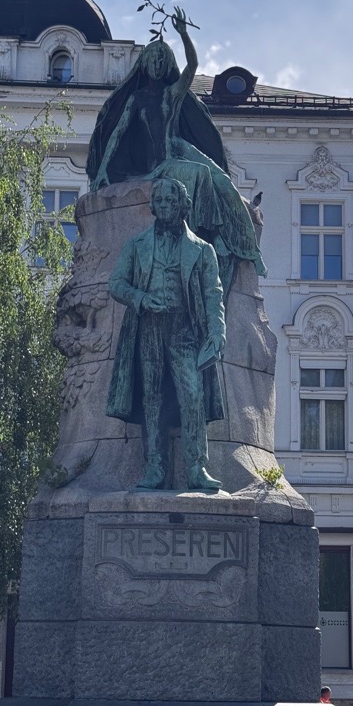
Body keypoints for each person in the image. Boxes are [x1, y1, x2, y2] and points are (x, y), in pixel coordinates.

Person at [87, 8, 267, 295]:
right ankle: (214, 234)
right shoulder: (136, 99)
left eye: (162, 59)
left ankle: (248, 249)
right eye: (153, 58)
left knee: (223, 181)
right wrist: (103, 171)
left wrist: (183, 34)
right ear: (144, 63)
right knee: (201, 173)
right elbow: (117, 134)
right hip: (161, 162)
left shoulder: (171, 94)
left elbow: (192, 66)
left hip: (179, 148)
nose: (157, 64)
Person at [107, 177, 226, 491]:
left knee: (193, 394)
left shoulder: (202, 250)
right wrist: (142, 298)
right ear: (152, 205)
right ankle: (155, 467)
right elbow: (116, 284)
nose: (164, 206)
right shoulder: (137, 245)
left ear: (183, 205)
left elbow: (213, 294)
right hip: (148, 327)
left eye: (170, 201)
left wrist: (217, 333)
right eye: (159, 201)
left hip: (185, 329)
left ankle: (197, 468)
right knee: (152, 398)